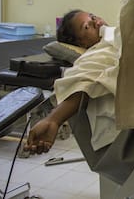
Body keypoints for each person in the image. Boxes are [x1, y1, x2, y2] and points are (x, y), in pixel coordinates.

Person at [24, 9, 113, 155]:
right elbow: (85, 80)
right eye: (87, 26)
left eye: (93, 17)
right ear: (81, 43)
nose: (97, 22)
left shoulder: (116, 36)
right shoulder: (96, 54)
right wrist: (53, 120)